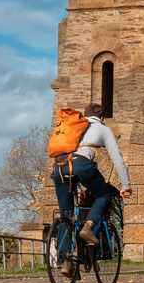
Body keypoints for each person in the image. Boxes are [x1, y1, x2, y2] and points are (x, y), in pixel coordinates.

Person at [52, 103, 132, 274]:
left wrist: (78, 186)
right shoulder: (103, 129)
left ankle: (66, 262)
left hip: (59, 169)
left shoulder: (73, 126)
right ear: (101, 118)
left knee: (65, 214)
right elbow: (117, 159)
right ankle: (88, 227)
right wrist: (125, 186)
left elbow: (68, 155)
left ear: (85, 115)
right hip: (81, 166)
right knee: (103, 196)